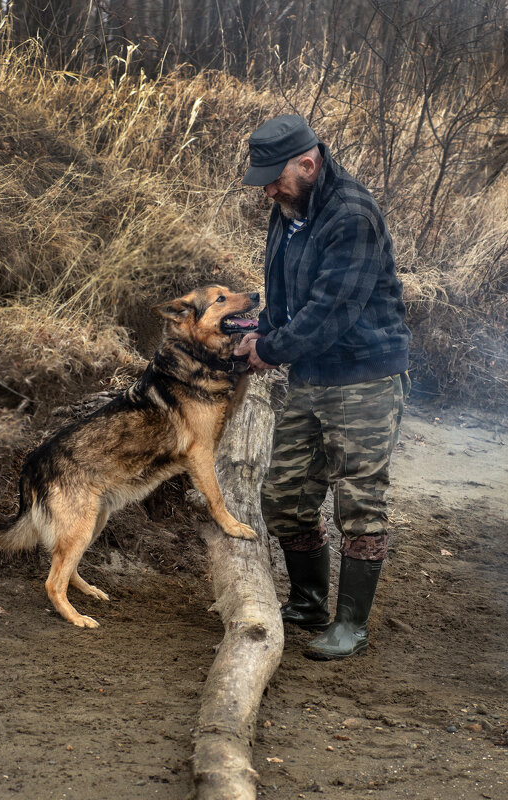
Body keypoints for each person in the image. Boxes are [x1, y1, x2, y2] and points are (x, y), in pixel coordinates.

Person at [235, 115, 411, 660]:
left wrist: (269, 350)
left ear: (307, 164)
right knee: (284, 496)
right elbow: (284, 293)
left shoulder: (351, 215)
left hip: (365, 377)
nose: (267, 188)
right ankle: (308, 601)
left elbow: (331, 311)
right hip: (311, 376)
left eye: (274, 177)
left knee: (359, 503)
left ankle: (350, 624)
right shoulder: (288, 209)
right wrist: (262, 329)